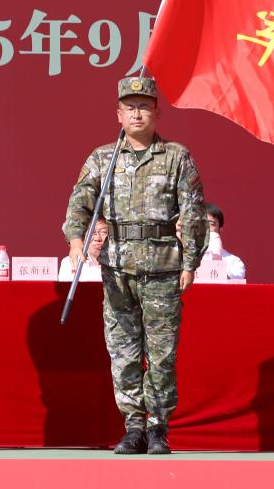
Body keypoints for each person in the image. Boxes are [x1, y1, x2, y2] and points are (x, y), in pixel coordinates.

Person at [63, 77, 207, 455]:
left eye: (144, 106)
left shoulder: (176, 156)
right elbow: (80, 202)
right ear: (119, 114)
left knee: (161, 352)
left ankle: (158, 426)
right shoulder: (103, 158)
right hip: (117, 268)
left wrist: (191, 261)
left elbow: (193, 212)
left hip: (162, 266)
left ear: (157, 112)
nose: (137, 113)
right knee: (123, 349)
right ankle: (134, 426)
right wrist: (76, 240)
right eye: (130, 107)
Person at [202, 203, 245, 281]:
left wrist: (216, 258)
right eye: (201, 223)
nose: (206, 228)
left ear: (220, 230)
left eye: (211, 224)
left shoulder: (235, 263)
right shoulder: (183, 258)